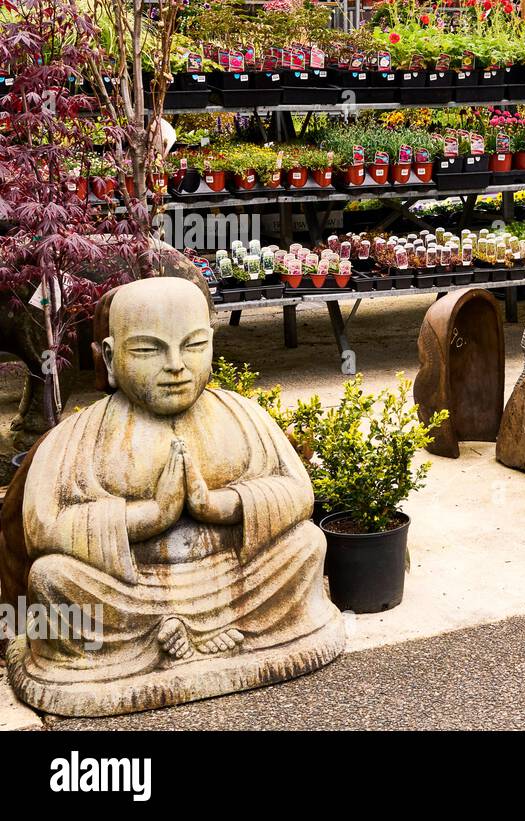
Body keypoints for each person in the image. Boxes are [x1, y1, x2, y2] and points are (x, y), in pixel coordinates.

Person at [9, 278, 343, 716]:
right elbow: (43, 525)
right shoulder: (77, 435)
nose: (175, 366)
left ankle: (209, 626)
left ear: (211, 342)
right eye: (149, 350)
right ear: (110, 357)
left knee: (305, 544)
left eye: (193, 345)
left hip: (233, 576)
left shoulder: (241, 415)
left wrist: (218, 505)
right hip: (128, 591)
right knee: (51, 578)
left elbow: (298, 492)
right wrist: (150, 515)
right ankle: (165, 635)